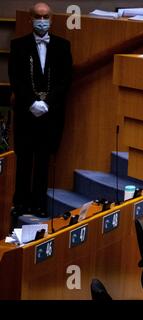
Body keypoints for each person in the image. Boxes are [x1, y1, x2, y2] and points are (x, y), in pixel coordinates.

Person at [8, 2, 72, 218]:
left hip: (50, 114)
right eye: (38, 16)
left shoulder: (63, 46)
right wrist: (31, 103)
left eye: (46, 17)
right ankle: (21, 202)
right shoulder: (18, 45)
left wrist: (47, 104)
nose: (42, 21)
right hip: (27, 114)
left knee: (44, 161)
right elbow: (16, 79)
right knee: (24, 160)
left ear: (52, 20)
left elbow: (65, 80)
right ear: (30, 19)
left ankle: (40, 204)